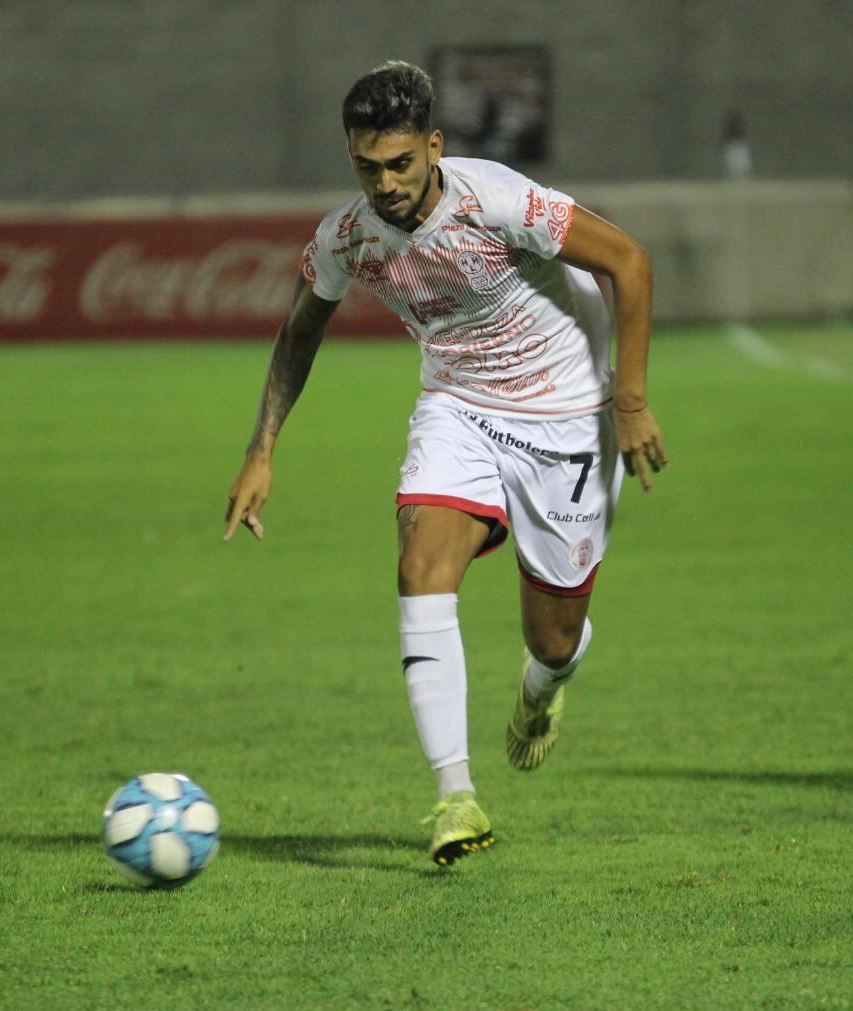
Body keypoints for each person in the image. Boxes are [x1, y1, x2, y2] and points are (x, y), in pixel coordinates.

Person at [224, 62, 667, 867]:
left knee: (555, 636)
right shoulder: (346, 238)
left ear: (432, 146)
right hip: (457, 407)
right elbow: (300, 331)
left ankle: (544, 688)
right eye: (367, 166)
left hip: (566, 414)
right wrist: (262, 450)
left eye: (400, 163)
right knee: (421, 564)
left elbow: (629, 262)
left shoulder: (497, 199)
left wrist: (629, 401)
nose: (385, 183)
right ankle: (454, 795)